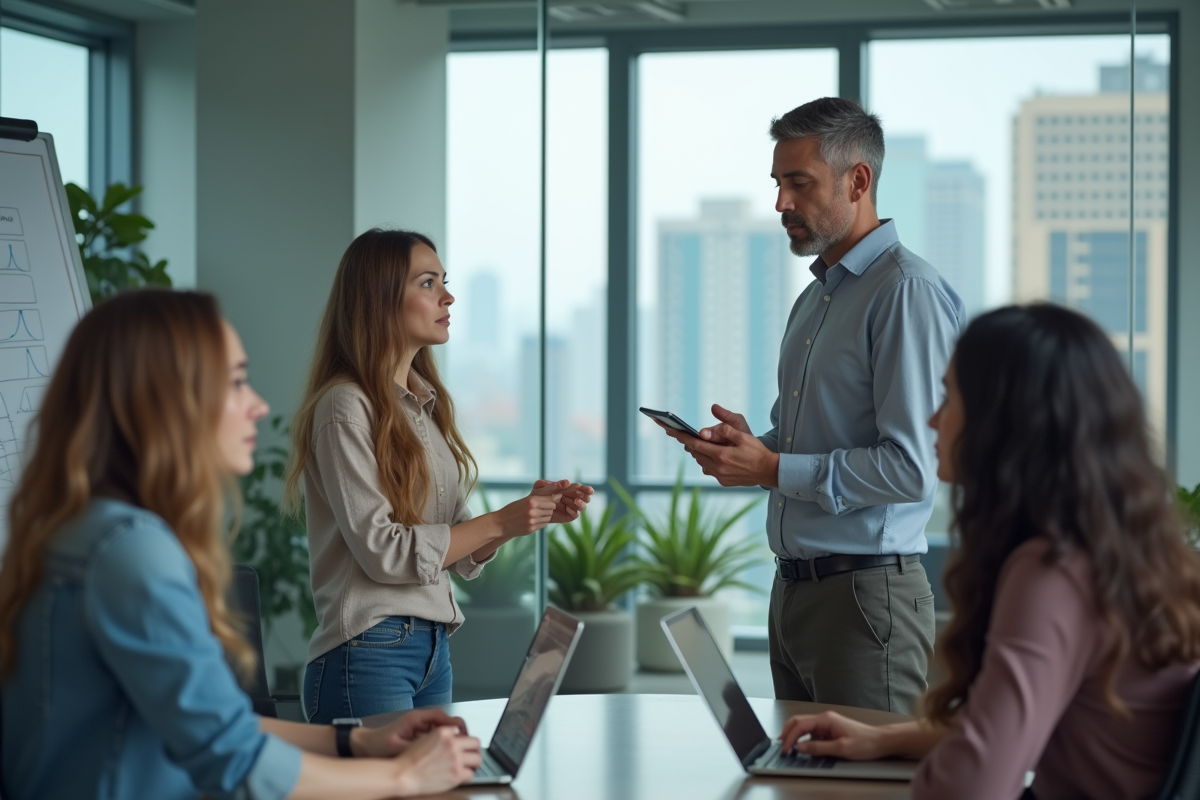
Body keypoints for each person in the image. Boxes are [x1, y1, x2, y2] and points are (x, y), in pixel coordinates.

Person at [0, 289, 483, 800]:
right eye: (234, 384)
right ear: (164, 400)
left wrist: (357, 741)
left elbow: (221, 723)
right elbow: (231, 757)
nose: (257, 405)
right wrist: (404, 777)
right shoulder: (129, 553)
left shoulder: (90, 531)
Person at [778, 304, 1200, 800]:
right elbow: (1012, 729)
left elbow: (974, 785)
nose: (934, 419)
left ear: (1004, 420)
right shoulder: (1124, 551)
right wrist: (882, 739)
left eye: (950, 397)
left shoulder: (1053, 572)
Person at [657, 97, 964, 713]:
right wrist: (756, 448)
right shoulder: (816, 298)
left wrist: (771, 470)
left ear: (859, 180)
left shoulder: (906, 292)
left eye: (799, 184)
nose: (781, 204)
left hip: (866, 597)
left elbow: (910, 468)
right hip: (795, 593)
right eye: (777, 184)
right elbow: (818, 439)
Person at [286, 229, 592, 723]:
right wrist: (499, 522)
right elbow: (386, 553)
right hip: (367, 652)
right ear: (380, 299)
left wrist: (520, 518)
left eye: (443, 282)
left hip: (432, 649)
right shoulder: (345, 407)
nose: (448, 297)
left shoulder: (424, 405)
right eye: (428, 283)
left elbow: (453, 540)